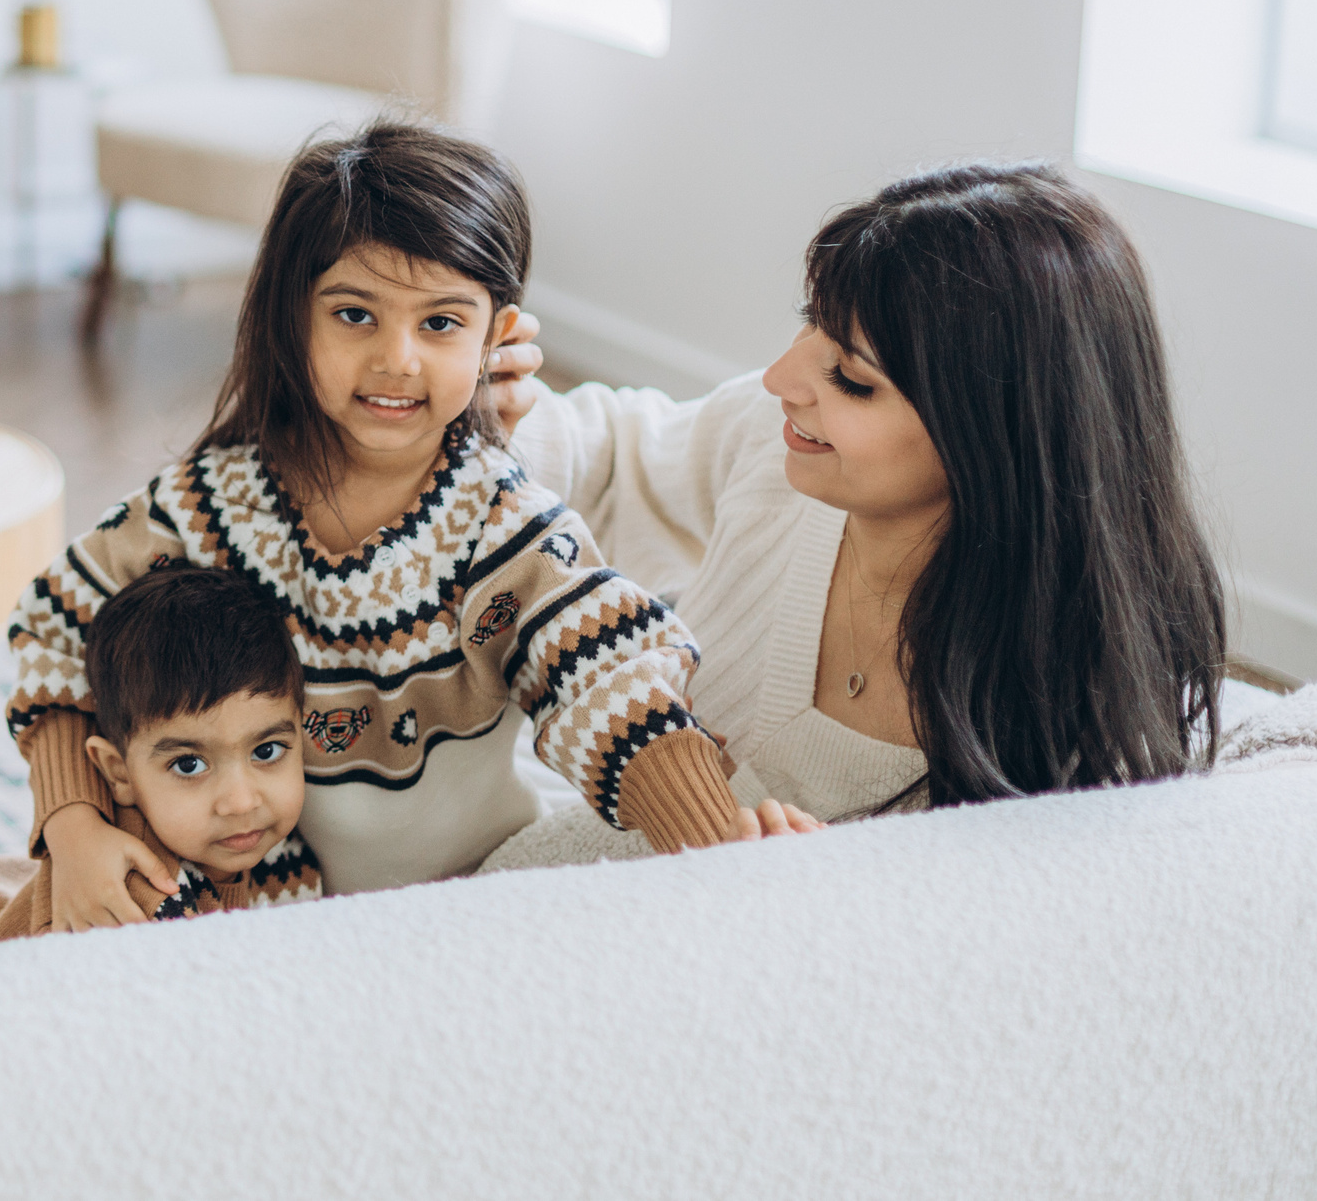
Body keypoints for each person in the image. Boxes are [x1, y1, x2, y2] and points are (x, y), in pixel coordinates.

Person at [9, 120, 776, 933]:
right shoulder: (204, 507)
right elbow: (56, 627)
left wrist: (721, 843)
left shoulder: (502, 528)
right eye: (354, 315)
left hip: (458, 910)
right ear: (289, 316)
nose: (397, 358)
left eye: (440, 323)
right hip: (249, 908)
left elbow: (609, 680)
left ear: (497, 340)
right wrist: (74, 825)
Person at [492, 160, 1226, 857]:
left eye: (849, 376)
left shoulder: (1066, 726)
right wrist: (487, 412)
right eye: (811, 320)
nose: (782, 377)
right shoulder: (780, 445)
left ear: (992, 440)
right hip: (533, 842)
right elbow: (619, 462)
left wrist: (826, 897)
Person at [0, 565, 320, 955]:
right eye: (189, 765)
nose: (241, 802)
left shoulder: (296, 853)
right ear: (117, 772)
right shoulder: (134, 902)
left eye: (266, 752)